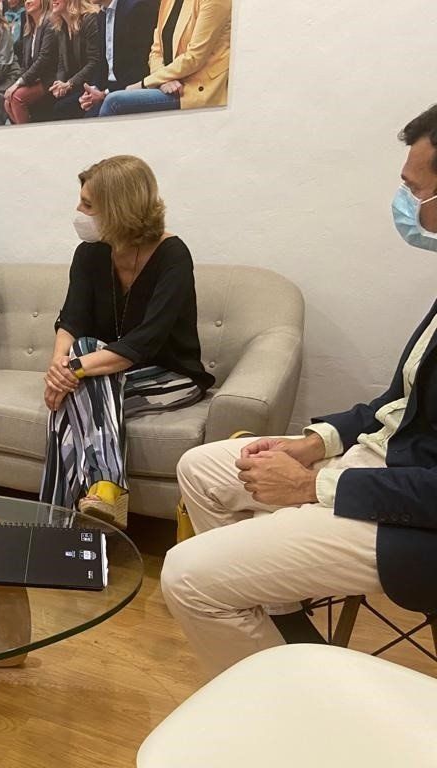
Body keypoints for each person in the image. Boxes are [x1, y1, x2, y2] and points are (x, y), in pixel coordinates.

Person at [161, 105, 437, 679]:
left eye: (415, 191)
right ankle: (284, 628)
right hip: (378, 464)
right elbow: (397, 404)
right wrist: (315, 443)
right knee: (202, 468)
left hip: (408, 515)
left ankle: (289, 698)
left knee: (186, 577)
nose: (405, 204)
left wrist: (312, 485)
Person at [40, 156, 213, 527]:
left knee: (71, 397)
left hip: (171, 374)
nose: (79, 211)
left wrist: (73, 370)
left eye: (88, 204)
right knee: (82, 357)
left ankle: (56, 527)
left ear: (117, 209)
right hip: (104, 369)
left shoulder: (173, 255)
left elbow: (146, 341)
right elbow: (71, 318)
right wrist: (59, 366)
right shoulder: (90, 252)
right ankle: (103, 492)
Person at [90, 0, 230, 117]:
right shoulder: (167, 1)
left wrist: (145, 83)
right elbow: (156, 51)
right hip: (170, 85)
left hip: (196, 89)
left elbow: (194, 58)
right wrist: (163, 81)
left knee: (113, 102)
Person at [75, 0, 160, 115]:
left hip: (134, 86)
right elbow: (102, 63)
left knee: (108, 106)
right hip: (110, 88)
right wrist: (93, 90)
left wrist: (105, 93)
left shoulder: (138, 7)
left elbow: (141, 66)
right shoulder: (101, 16)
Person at [4, 0, 59, 124]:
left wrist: (19, 83)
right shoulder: (29, 27)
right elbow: (25, 64)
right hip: (34, 78)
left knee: (16, 98)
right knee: (7, 102)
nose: (27, 2)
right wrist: (16, 83)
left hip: (48, 78)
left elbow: (43, 59)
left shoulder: (49, 23)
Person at [47, 0, 102, 120]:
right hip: (75, 84)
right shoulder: (61, 25)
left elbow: (94, 61)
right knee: (49, 101)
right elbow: (61, 62)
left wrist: (69, 84)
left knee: (61, 108)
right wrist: (59, 83)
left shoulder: (89, 19)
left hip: (92, 83)